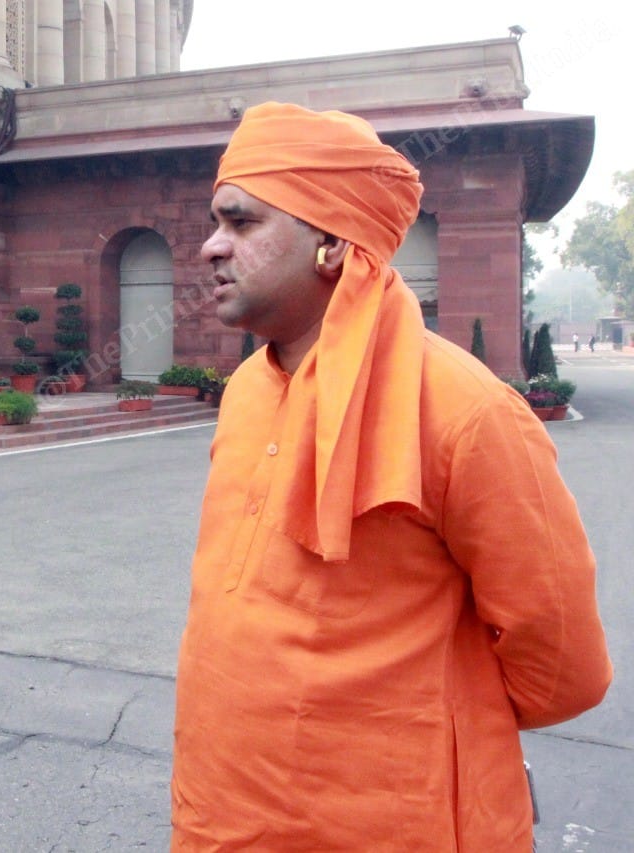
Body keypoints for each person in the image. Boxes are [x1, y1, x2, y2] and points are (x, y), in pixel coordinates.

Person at [172, 103, 611, 850]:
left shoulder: (466, 411)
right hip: (225, 813)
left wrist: (417, 720)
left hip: (400, 823)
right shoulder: (249, 388)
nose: (210, 248)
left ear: (332, 245)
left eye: (241, 224)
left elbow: (563, 662)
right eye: (215, 223)